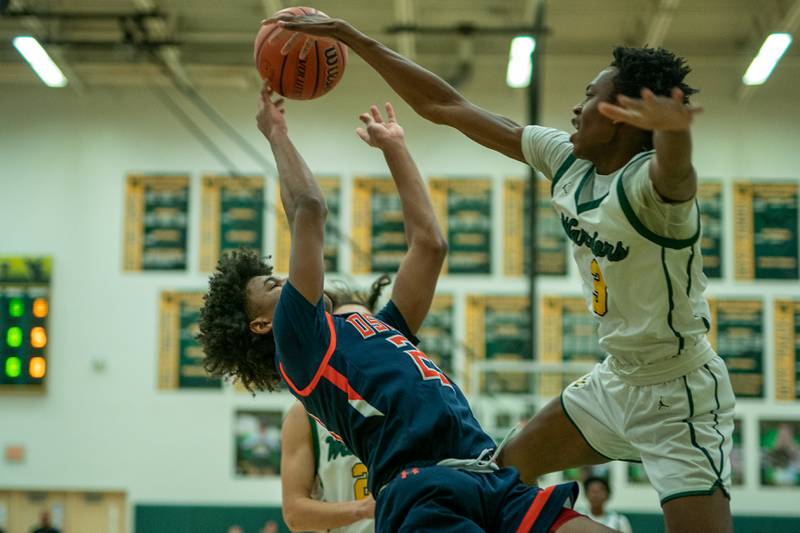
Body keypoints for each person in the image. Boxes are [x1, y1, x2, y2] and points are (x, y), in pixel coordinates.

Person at [263, 14, 735, 533]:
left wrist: (674, 134)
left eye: (589, 97)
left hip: (680, 393)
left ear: (624, 116)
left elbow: (677, 172)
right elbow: (446, 106)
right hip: (617, 378)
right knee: (496, 470)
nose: (576, 108)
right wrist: (351, 36)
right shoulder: (568, 160)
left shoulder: (651, 192)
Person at [199, 84, 614, 532]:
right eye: (272, 283)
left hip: (489, 475)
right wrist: (276, 134)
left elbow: (430, 246)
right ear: (262, 323)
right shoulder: (301, 347)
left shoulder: (378, 330)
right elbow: (309, 209)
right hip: (422, 492)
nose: (285, 279)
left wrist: (395, 148)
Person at [281, 277, 391, 533]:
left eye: (363, 327)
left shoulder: (404, 394)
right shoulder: (304, 413)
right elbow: (295, 514)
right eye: (345, 327)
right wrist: (363, 509)